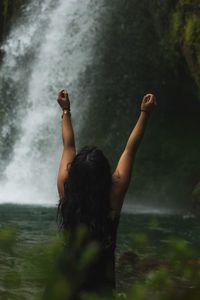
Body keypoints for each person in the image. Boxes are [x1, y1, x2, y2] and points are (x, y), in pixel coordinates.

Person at [56, 89, 156, 298]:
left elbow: (69, 145)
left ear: (74, 173)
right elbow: (130, 149)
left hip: (66, 284)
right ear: (105, 174)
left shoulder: (66, 190)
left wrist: (66, 110)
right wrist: (144, 113)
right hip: (101, 287)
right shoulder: (113, 198)